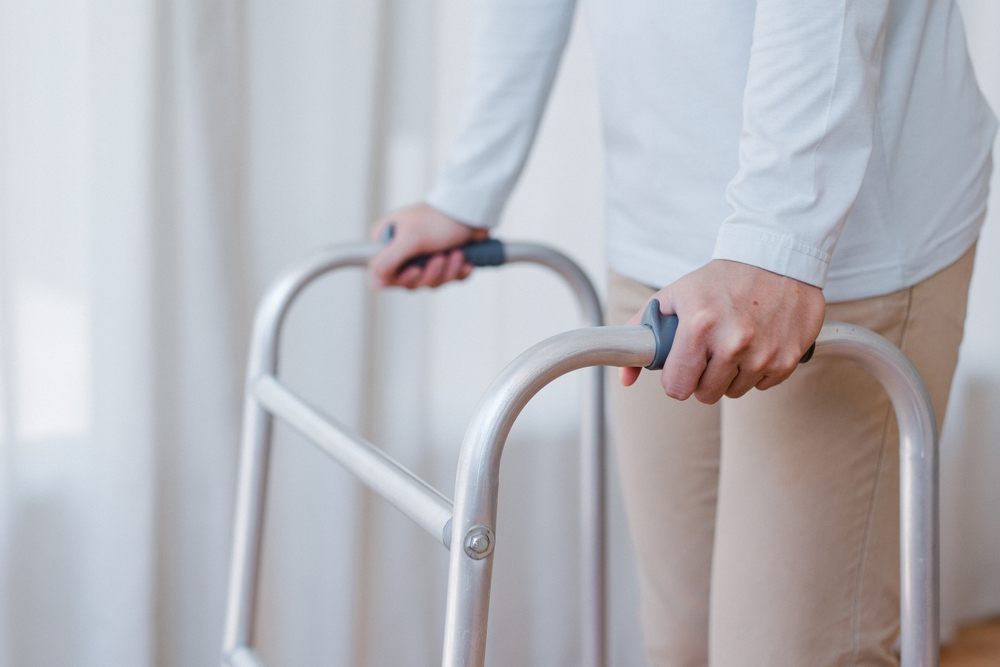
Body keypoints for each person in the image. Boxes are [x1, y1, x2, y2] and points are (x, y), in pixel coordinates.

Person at [368, 0, 996, 665]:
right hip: (661, 234)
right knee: (680, 643)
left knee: (790, 651)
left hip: (842, 242)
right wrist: (469, 185)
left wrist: (779, 240)